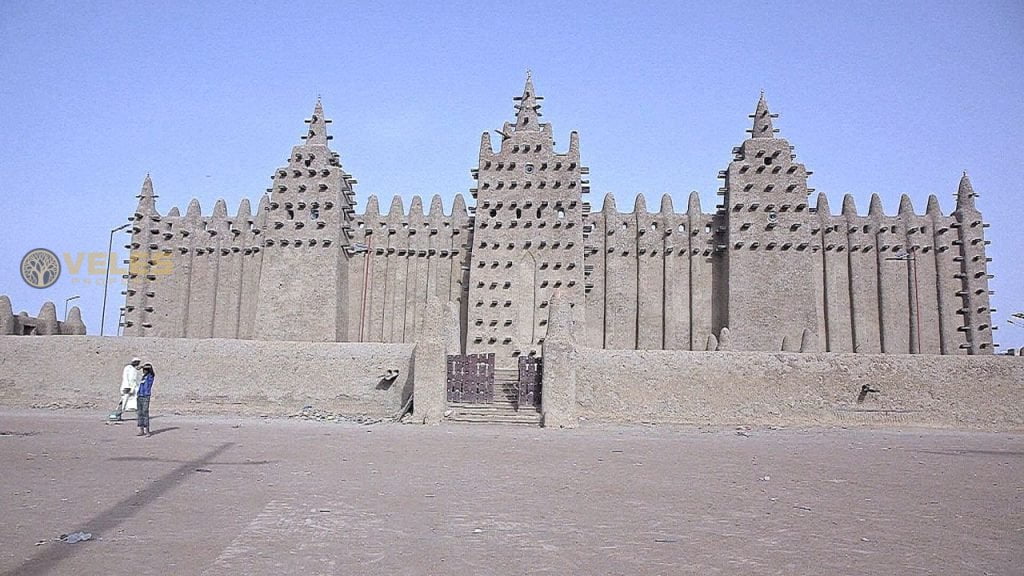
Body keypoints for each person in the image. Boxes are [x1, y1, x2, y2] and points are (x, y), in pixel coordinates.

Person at [136, 363, 156, 437]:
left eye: (145, 370)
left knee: (145, 412)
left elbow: (150, 368)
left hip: (146, 396)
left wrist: (142, 366)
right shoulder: (142, 377)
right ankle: (141, 429)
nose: (143, 371)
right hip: (139, 395)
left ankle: (147, 430)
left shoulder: (150, 376)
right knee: (139, 413)